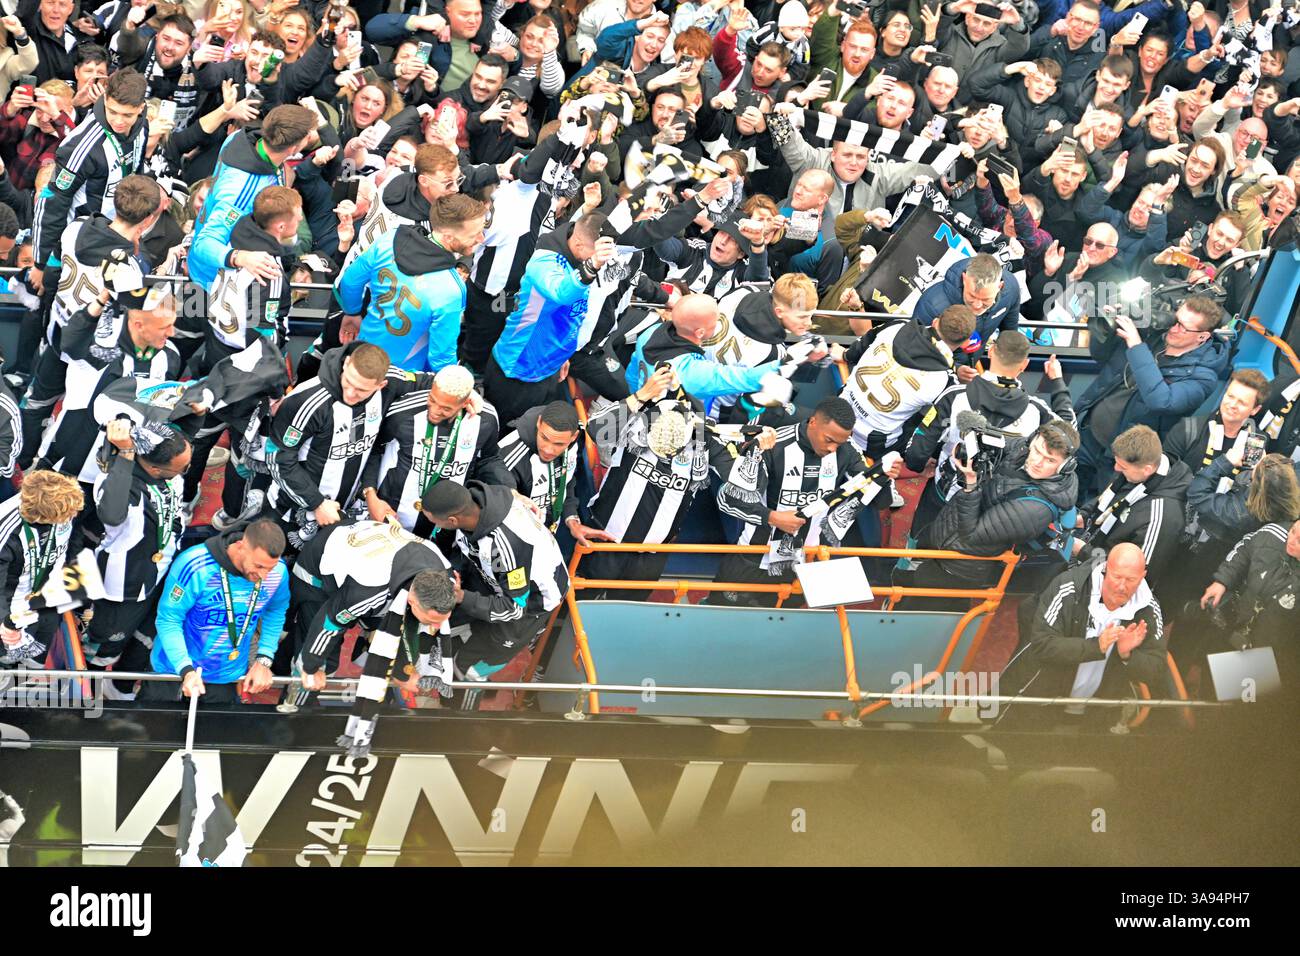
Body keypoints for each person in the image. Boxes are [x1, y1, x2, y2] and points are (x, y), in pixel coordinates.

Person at [712, 396, 897, 607]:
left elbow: (879, 501)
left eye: (840, 442)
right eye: (829, 440)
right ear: (813, 422)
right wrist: (773, 517)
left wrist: (885, 476)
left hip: (806, 563)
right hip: (756, 558)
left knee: (782, 628)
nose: (833, 449)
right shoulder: (773, 445)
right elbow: (729, 499)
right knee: (722, 615)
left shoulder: (847, 450)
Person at [905, 330, 1073, 540]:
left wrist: (923, 464)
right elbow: (1069, 433)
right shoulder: (1037, 411)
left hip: (946, 492)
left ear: (991, 351)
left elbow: (915, 455)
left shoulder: (954, 396)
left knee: (921, 541)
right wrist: (1057, 382)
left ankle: (910, 565)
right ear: (1024, 365)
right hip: (996, 505)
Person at [418, 478, 569, 710]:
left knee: (468, 669)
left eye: (430, 518)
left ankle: (459, 724)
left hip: (530, 604)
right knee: (445, 632)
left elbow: (514, 608)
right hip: (493, 580)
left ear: (452, 520)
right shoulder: (479, 500)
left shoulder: (504, 547)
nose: (428, 521)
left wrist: (461, 597)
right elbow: (444, 541)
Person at [1073, 296, 1228, 498]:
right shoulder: (1153, 336)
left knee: (1095, 511)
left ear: (1202, 337)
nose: (1173, 328)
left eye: (1183, 327)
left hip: (1123, 458)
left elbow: (1161, 401)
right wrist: (1107, 326)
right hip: (1088, 434)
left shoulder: (1203, 377)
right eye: (1175, 320)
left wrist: (1136, 346)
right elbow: (1100, 355)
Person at [998, 543, 1168, 725]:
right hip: (1044, 701)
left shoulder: (1149, 608)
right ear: (1105, 568)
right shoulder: (1068, 587)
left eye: (1131, 580)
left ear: (1143, 577)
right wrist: (1096, 646)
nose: (1121, 586)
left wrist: (1128, 655)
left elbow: (1156, 671)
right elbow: (1042, 643)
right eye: (1117, 576)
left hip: (1098, 715)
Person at [85, 422, 192, 691]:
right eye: (182, 468)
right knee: (106, 642)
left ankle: (120, 682)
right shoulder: (117, 484)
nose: (184, 473)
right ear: (155, 468)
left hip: (158, 574)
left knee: (145, 633)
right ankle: (92, 686)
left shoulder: (165, 469)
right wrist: (125, 454)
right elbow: (111, 514)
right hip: (124, 586)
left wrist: (198, 418)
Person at [915, 419, 1080, 592]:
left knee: (924, 600)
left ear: (1064, 467)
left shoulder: (1035, 510)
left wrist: (971, 485)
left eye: (1050, 460)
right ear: (1032, 440)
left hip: (959, 567)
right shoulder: (1025, 449)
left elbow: (970, 534)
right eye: (1037, 451)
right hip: (947, 542)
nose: (1037, 462)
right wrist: (980, 429)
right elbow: (1003, 443)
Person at [485, 212, 615, 424]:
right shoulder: (544, 262)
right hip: (519, 369)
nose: (603, 262)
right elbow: (561, 293)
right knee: (506, 431)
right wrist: (592, 265)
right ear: (580, 245)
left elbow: (573, 315)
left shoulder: (578, 258)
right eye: (597, 255)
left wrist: (562, 354)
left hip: (550, 366)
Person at [336, 193, 488, 372]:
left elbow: (350, 281)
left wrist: (351, 313)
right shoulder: (451, 288)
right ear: (448, 237)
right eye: (475, 234)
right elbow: (441, 356)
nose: (481, 239)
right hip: (402, 378)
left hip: (360, 358)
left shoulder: (390, 239)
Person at [147, 517, 290, 702]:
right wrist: (186, 669)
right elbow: (169, 619)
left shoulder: (277, 572)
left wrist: (264, 659)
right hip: (173, 669)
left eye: (269, 569)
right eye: (259, 566)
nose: (263, 575)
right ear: (241, 546)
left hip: (226, 675)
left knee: (216, 730)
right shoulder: (195, 564)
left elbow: (276, 610)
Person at [188, 102, 317, 290]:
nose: (312, 137)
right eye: (308, 135)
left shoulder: (240, 139)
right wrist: (241, 257)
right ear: (293, 148)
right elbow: (204, 245)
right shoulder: (241, 191)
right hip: (215, 284)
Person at [836, 304, 977, 463]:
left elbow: (861, 345)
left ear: (936, 322)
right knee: (929, 422)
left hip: (838, 408)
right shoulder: (945, 381)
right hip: (872, 445)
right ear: (966, 343)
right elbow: (934, 428)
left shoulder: (897, 325)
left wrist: (845, 355)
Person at [1075, 424, 1192, 582]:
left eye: (1122, 467)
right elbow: (1109, 498)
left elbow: (1136, 579)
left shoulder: (1163, 517)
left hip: (1102, 584)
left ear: (1147, 469)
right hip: (1087, 552)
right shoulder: (1137, 470)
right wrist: (1085, 515)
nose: (1116, 469)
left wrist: (1083, 552)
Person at [1198, 517, 1300, 683]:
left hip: (1268, 650)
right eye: (1293, 530)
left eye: (1299, 540)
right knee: (1210, 676)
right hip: (1234, 623)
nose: (1291, 540)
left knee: (1240, 696)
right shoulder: (1273, 534)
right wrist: (1222, 581)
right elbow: (1245, 549)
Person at [0, 470, 82, 666]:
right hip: (13, 609)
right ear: (44, 517)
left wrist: (72, 598)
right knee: (7, 662)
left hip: (48, 601)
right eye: (68, 515)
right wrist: (5, 623)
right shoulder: (6, 531)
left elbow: (73, 545)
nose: (74, 515)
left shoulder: (64, 500)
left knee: (37, 657)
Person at [912, 253, 1021, 378]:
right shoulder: (932, 304)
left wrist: (1006, 373)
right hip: (934, 375)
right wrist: (955, 368)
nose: (977, 305)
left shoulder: (1011, 289)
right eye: (972, 296)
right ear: (964, 279)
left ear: (1000, 286)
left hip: (972, 365)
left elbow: (1010, 333)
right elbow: (916, 350)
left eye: (986, 300)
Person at [494, 400, 582, 535]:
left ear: (573, 436)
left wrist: (571, 517)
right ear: (539, 422)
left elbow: (566, 481)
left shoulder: (573, 444)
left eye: (558, 444)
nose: (548, 450)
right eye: (544, 438)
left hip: (548, 531)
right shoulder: (509, 454)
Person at [1162, 368, 1268, 474]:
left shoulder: (1256, 442)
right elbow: (1165, 477)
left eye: (1242, 402)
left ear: (1255, 410)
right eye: (1230, 396)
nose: (1232, 405)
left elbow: (1249, 487)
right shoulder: (1187, 429)